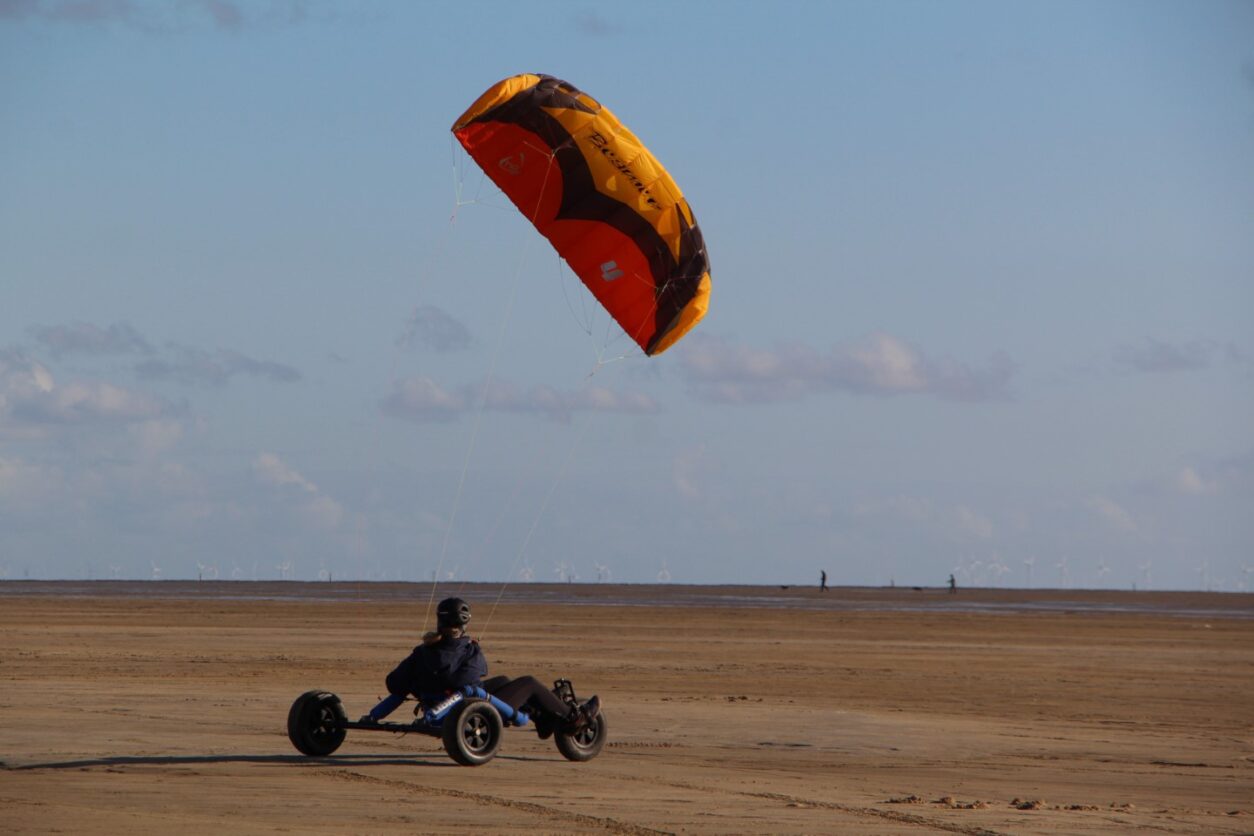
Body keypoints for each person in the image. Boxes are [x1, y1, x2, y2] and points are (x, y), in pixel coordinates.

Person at [361, 597, 598, 734]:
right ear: (463, 623)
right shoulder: (466, 649)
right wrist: (473, 649)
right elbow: (468, 684)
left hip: (438, 703)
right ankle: (573, 718)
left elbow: (394, 683)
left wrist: (418, 684)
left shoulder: (422, 651)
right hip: (465, 709)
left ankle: (543, 718)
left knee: (504, 681)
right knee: (529, 683)